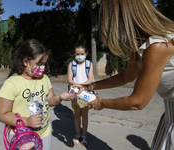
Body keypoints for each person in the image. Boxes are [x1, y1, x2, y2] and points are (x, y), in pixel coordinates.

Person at [72, 0, 174, 149]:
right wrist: (89, 86)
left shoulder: (158, 46)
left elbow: (137, 102)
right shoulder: (142, 44)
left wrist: (102, 103)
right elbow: (126, 77)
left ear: (123, 19)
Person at [0, 39, 75, 150]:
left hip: (44, 133)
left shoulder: (44, 79)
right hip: (22, 136)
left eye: (43, 64)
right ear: (25, 62)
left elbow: (50, 100)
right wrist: (27, 121)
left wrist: (59, 97)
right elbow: (2, 114)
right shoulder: (11, 83)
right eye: (39, 63)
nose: (42, 67)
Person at [67, 43, 94, 146]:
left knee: (85, 114)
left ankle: (84, 135)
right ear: (74, 54)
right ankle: (78, 135)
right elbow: (69, 78)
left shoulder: (89, 64)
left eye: (82, 53)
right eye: (77, 54)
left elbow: (90, 79)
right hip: (75, 93)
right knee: (77, 114)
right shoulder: (71, 64)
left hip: (86, 93)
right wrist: (77, 86)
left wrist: (82, 87)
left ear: (86, 53)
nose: (80, 56)